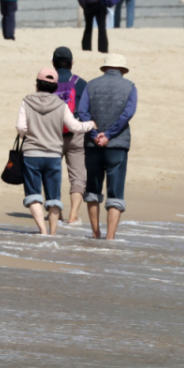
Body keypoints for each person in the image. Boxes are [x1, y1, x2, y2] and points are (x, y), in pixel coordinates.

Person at [15, 68, 97, 236]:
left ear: (37, 85)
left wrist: (27, 134)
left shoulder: (27, 101)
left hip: (32, 154)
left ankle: (42, 230)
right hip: (53, 155)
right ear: (54, 87)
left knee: (33, 195)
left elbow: (21, 127)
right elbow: (75, 127)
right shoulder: (61, 105)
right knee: (53, 197)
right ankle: (53, 233)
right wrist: (91, 124)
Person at [76, 54, 136, 241]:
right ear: (122, 70)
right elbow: (128, 113)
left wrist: (95, 134)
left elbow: (82, 111)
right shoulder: (130, 87)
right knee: (115, 192)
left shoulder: (91, 85)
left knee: (93, 189)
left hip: (92, 144)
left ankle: (96, 233)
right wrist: (109, 135)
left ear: (105, 68)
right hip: (117, 144)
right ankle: (110, 237)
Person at [52, 46, 90, 224]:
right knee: (78, 176)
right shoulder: (81, 83)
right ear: (72, 63)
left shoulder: (47, 81)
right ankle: (73, 216)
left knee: (53, 174)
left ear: (53, 63)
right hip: (76, 134)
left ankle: (56, 215)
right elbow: (85, 111)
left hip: (52, 134)